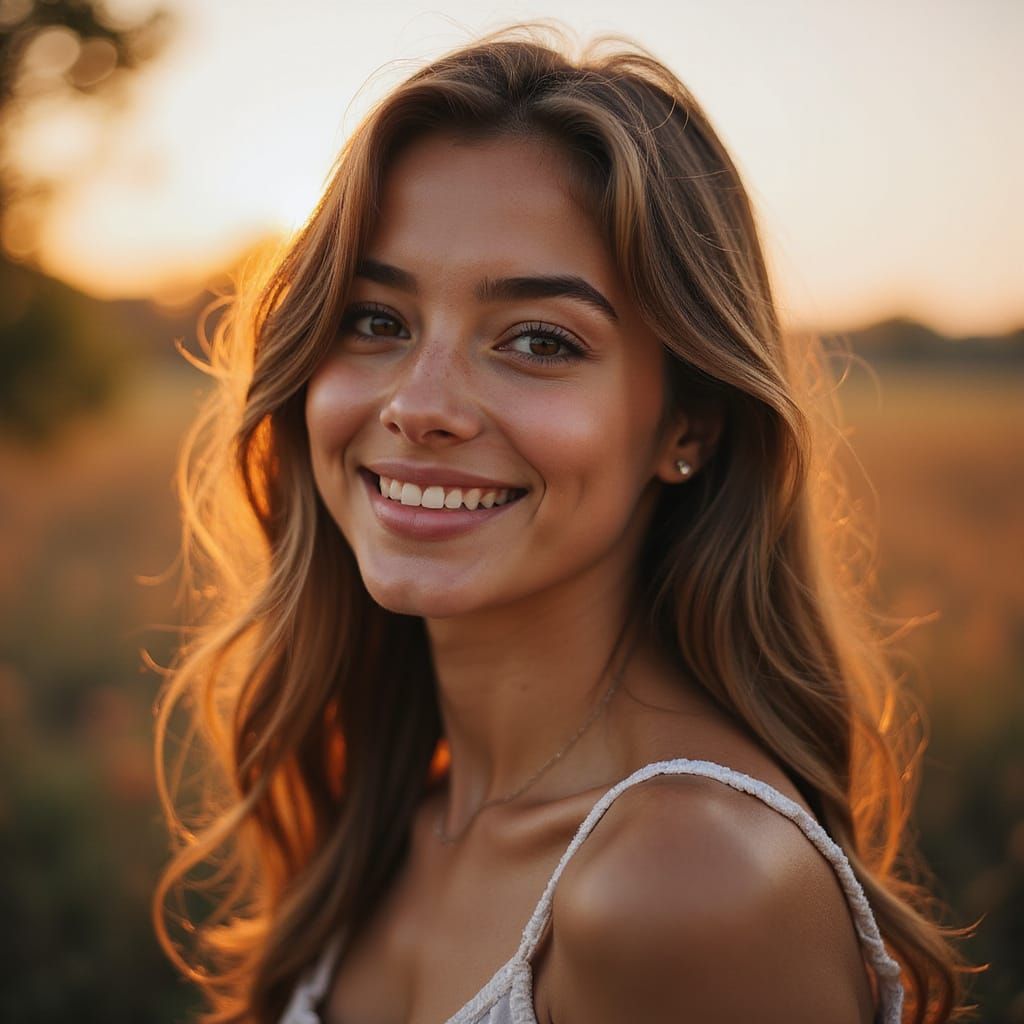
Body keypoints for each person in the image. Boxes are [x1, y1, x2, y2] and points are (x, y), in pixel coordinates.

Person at [154, 25, 967, 1024]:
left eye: (538, 339)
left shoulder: (687, 884)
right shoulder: (390, 808)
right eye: (376, 320)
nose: (420, 404)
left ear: (688, 425)